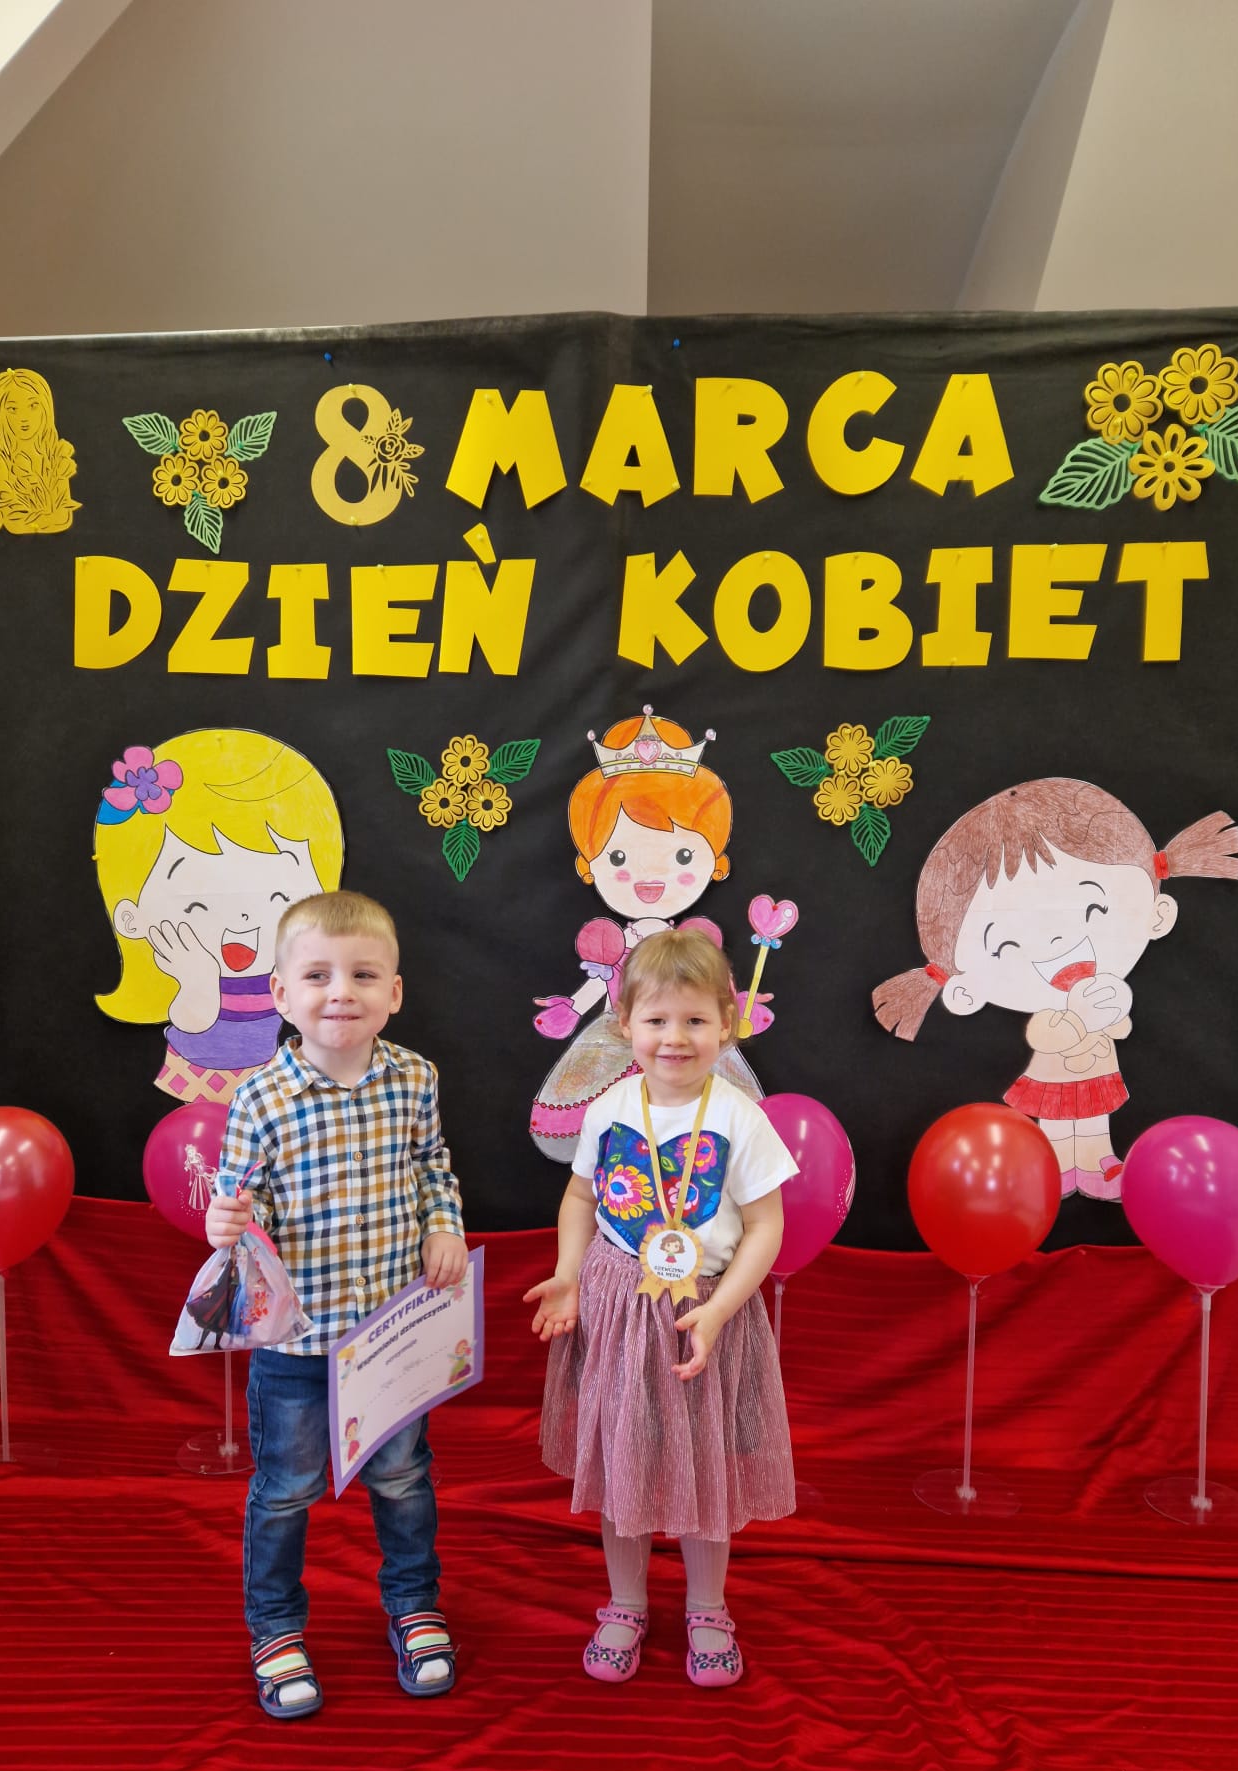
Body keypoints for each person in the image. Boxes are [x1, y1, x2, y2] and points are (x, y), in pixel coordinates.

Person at [205, 889, 468, 1719]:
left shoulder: (415, 1079)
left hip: (390, 1333)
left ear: (394, 991)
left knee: (402, 1476)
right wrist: (227, 1222)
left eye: (362, 974)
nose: (340, 992)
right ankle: (276, 1627)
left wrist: (443, 1224)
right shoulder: (260, 1098)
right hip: (296, 1343)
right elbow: (242, 1202)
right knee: (286, 1486)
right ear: (281, 995)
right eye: (317, 975)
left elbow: (432, 1166)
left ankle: (414, 1605)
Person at [525, 927, 799, 1689]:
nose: (674, 1038)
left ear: (726, 1025)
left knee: (704, 1467)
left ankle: (708, 1607)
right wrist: (569, 1275)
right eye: (657, 1020)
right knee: (625, 1460)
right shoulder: (610, 1107)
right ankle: (626, 1603)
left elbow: (767, 1227)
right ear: (624, 1025)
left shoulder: (741, 1116)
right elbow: (580, 1197)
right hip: (618, 1307)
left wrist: (719, 1311)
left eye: (695, 1020)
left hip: (703, 1314)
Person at [872, 778, 1238, 1199]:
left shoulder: (1103, 987)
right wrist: (1079, 1021)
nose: (1055, 940)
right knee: (1058, 1124)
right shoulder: (1049, 1015)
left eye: (1092, 908)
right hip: (1054, 1078)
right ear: (964, 991)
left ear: (1157, 914)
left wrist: (1113, 1015)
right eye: (1007, 943)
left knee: (1095, 1120)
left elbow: (1119, 1028)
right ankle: (1058, 1165)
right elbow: (1045, 1035)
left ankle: (1099, 1161)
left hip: (1097, 1072)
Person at [529, 709, 772, 1162]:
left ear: (715, 860)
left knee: (709, 1129)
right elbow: (602, 980)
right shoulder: (612, 947)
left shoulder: (696, 949)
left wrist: (736, 1007)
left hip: (691, 1073)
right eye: (619, 856)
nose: (651, 874)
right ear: (589, 864)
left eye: (683, 855)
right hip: (615, 1047)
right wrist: (574, 1007)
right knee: (620, 1132)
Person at [94, 729, 343, 1105]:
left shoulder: (284, 972)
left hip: (266, 1080)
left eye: (278, 896)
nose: (243, 916)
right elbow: (192, 1022)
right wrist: (199, 983)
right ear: (132, 918)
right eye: (197, 903)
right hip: (192, 1078)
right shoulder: (186, 969)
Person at [0, 366, 80, 533]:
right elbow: (14, 520)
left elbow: (63, 517)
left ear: (45, 408)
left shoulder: (54, 453)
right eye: (12, 409)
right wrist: (43, 517)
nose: (24, 417)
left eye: (33, 405)